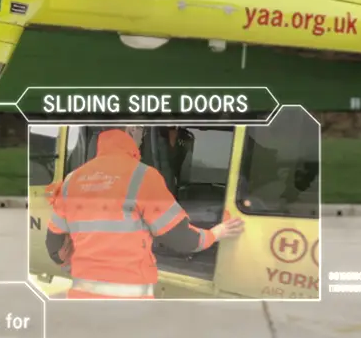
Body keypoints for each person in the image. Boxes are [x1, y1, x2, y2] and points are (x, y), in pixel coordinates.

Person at [44, 126, 243, 299]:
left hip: (82, 301)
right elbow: (182, 239)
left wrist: (79, 266)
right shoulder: (143, 176)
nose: (142, 137)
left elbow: (54, 246)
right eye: (142, 130)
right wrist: (216, 233)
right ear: (132, 128)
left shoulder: (72, 180)